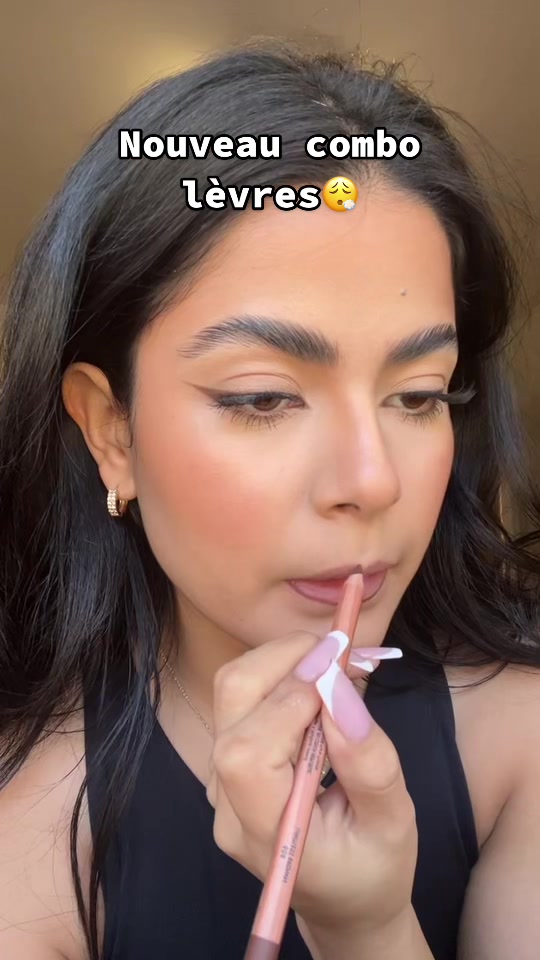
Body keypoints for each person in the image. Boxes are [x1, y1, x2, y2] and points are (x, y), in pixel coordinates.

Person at [1, 40, 539, 960]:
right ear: (112, 432)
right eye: (261, 398)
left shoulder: (520, 738)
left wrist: (366, 930)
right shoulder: (30, 828)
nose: (373, 480)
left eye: (418, 396)